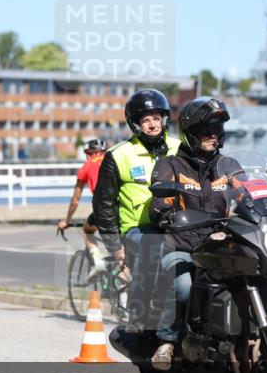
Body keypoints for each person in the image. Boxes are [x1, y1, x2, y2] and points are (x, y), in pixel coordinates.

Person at [148, 96, 247, 370]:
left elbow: (247, 192)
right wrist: (168, 214)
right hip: (183, 247)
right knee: (184, 286)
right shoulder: (171, 165)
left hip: (222, 248)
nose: (213, 136)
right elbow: (159, 205)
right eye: (206, 131)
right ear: (190, 133)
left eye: (217, 130)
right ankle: (167, 342)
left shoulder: (228, 166)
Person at [93, 89, 180, 324]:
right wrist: (114, 246)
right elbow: (104, 204)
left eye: (156, 118)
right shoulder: (119, 155)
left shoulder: (179, 148)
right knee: (155, 244)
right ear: (135, 124)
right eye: (145, 120)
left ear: (164, 119)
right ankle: (139, 316)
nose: (152, 125)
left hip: (178, 224)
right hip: (139, 228)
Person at [57, 138, 108, 277]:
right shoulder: (113, 160)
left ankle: (98, 262)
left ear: (89, 153)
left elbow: (75, 200)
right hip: (122, 205)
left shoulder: (86, 167)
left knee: (87, 230)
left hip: (103, 207)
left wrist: (66, 221)